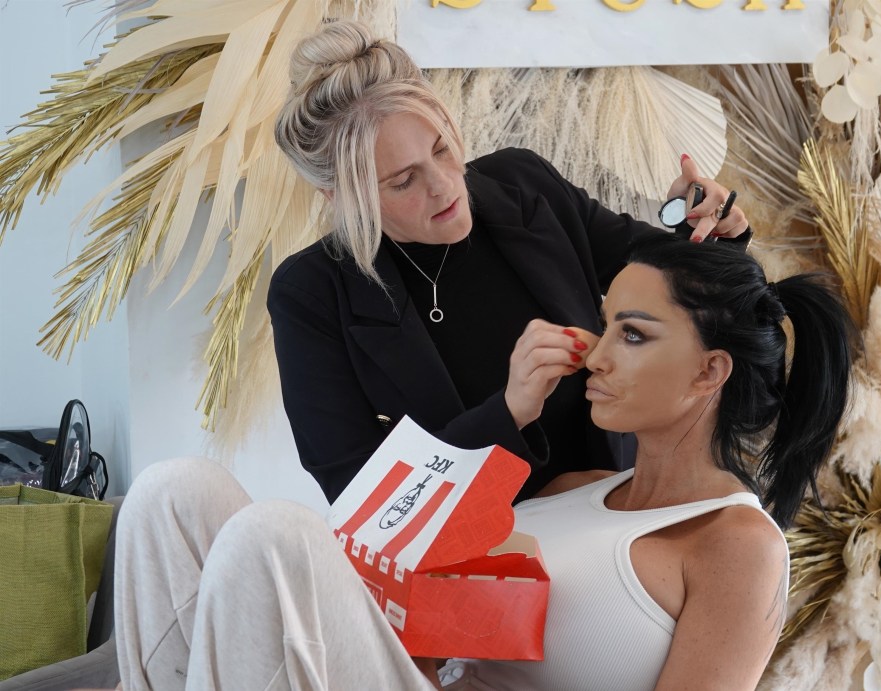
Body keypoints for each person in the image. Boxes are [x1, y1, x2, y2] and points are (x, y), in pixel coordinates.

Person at [114, 231, 855, 690]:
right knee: (173, 494)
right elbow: (427, 611)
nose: (594, 355)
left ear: (709, 373)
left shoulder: (735, 546)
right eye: (603, 325)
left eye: (632, 335)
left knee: (274, 538)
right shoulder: (576, 485)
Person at [266, 20, 752, 505]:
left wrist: (713, 231)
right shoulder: (311, 294)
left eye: (442, 149)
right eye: (403, 181)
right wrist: (510, 410)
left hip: (617, 511)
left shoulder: (524, 184)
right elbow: (358, 495)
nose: (444, 185)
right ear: (338, 197)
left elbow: (682, 289)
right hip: (474, 561)